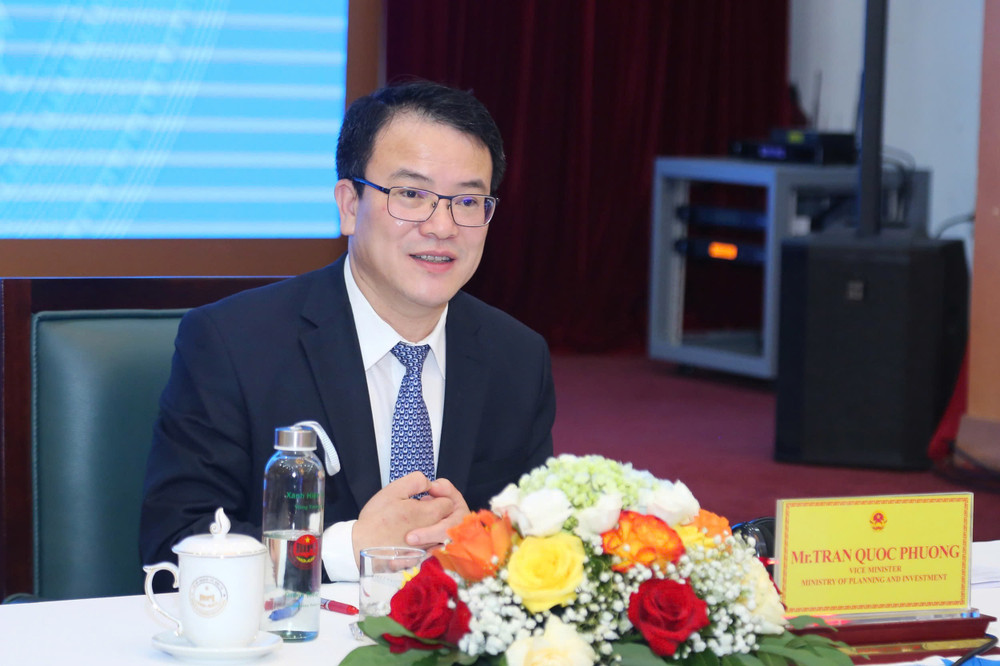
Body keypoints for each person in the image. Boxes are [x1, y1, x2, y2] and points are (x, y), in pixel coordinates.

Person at [139, 80, 555, 581]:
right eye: (412, 194)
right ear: (350, 205)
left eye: (467, 201)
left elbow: (539, 545)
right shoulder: (233, 344)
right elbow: (174, 546)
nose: (442, 226)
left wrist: (484, 550)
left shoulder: (518, 358)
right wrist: (347, 548)